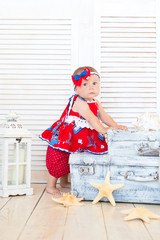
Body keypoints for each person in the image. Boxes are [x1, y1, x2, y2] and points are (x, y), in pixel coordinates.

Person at [39, 66, 128, 196]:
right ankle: (50, 186)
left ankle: (64, 183)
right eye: (85, 84)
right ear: (76, 89)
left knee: (73, 159)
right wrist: (103, 130)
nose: (91, 87)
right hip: (67, 136)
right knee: (60, 158)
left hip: (81, 137)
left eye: (94, 83)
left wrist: (115, 126)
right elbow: (91, 118)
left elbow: (104, 116)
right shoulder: (79, 102)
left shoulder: (96, 103)